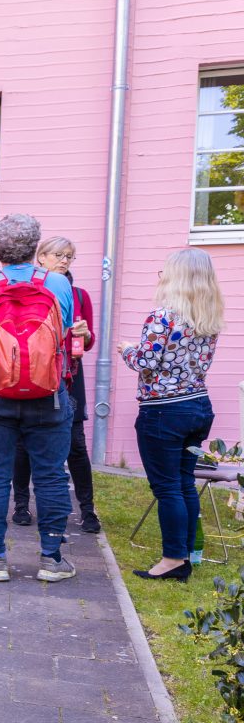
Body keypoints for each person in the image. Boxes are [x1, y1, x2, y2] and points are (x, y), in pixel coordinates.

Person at [0, 213, 76, 583]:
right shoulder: (57, 283)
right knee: (51, 475)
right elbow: (65, 332)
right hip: (48, 394)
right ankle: (51, 559)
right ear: (35, 247)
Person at [120, 248, 225, 581]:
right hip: (198, 407)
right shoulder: (208, 317)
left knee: (167, 489)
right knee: (183, 485)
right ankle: (188, 556)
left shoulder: (162, 316)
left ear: (176, 276)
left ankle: (172, 559)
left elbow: (145, 363)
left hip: (163, 410)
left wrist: (125, 350)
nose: (159, 275)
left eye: (164, 270)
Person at [10, 237, 101, 533]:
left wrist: (85, 334)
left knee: (75, 444)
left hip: (68, 375)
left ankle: (87, 510)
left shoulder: (79, 295)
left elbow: (87, 344)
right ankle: (22, 504)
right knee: (24, 442)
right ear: (41, 258)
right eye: (58, 255)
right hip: (33, 373)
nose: (64, 260)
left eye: (70, 256)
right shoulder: (30, 291)